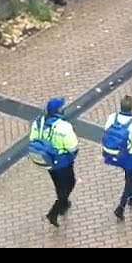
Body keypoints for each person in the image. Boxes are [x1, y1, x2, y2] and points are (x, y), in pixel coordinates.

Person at [27, 97, 79, 227]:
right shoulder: (64, 127)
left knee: (58, 184)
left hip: (47, 161)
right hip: (62, 162)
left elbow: (33, 139)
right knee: (70, 183)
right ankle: (55, 211)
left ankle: (63, 203)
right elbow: (72, 147)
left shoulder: (37, 122)